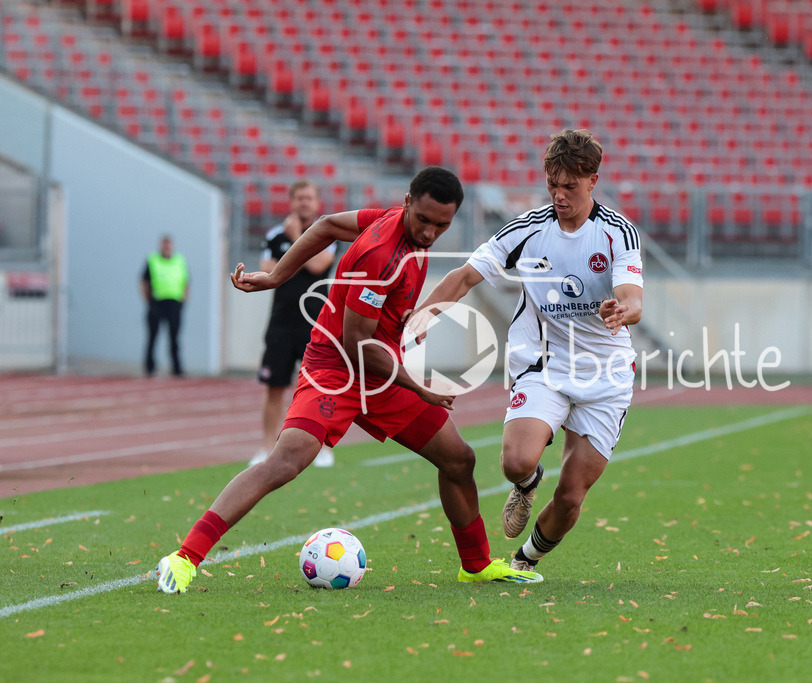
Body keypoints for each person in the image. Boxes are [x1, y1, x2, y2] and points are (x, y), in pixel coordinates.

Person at [155, 167, 543, 594]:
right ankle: (184, 557)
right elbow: (357, 343)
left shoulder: (393, 217)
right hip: (337, 368)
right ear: (409, 203)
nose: (431, 233)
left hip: (381, 368)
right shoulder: (379, 258)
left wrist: (277, 275)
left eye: (442, 225)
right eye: (425, 221)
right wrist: (419, 385)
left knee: (458, 459)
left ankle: (476, 565)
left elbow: (326, 225)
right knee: (285, 462)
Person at [411, 130, 643, 575]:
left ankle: (524, 560)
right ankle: (528, 481)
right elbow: (465, 276)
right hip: (545, 363)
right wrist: (421, 319)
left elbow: (632, 296)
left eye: (569, 187)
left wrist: (623, 310)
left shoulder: (616, 233)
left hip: (606, 374)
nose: (559, 195)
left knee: (572, 496)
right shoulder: (527, 229)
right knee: (516, 462)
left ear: (593, 181)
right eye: (552, 185)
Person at [250, 180, 337, 469]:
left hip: (315, 324)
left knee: (318, 387)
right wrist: (292, 259)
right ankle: (266, 447)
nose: (304, 203)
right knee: (274, 387)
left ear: (317, 202)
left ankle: (321, 448)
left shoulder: (327, 232)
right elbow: (268, 271)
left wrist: (296, 239)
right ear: (291, 201)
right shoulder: (275, 235)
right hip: (281, 323)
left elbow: (318, 266)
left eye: (309, 198)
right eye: (299, 198)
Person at [140, 235, 189, 377]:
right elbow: (144, 282)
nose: (167, 248)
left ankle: (177, 368)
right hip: (157, 302)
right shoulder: (152, 260)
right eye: (164, 245)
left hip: (174, 303)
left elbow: (186, 282)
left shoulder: (179, 261)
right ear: (161, 246)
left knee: (174, 338)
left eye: (169, 245)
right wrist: (148, 300)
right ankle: (149, 367)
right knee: (152, 336)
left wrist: (182, 301)